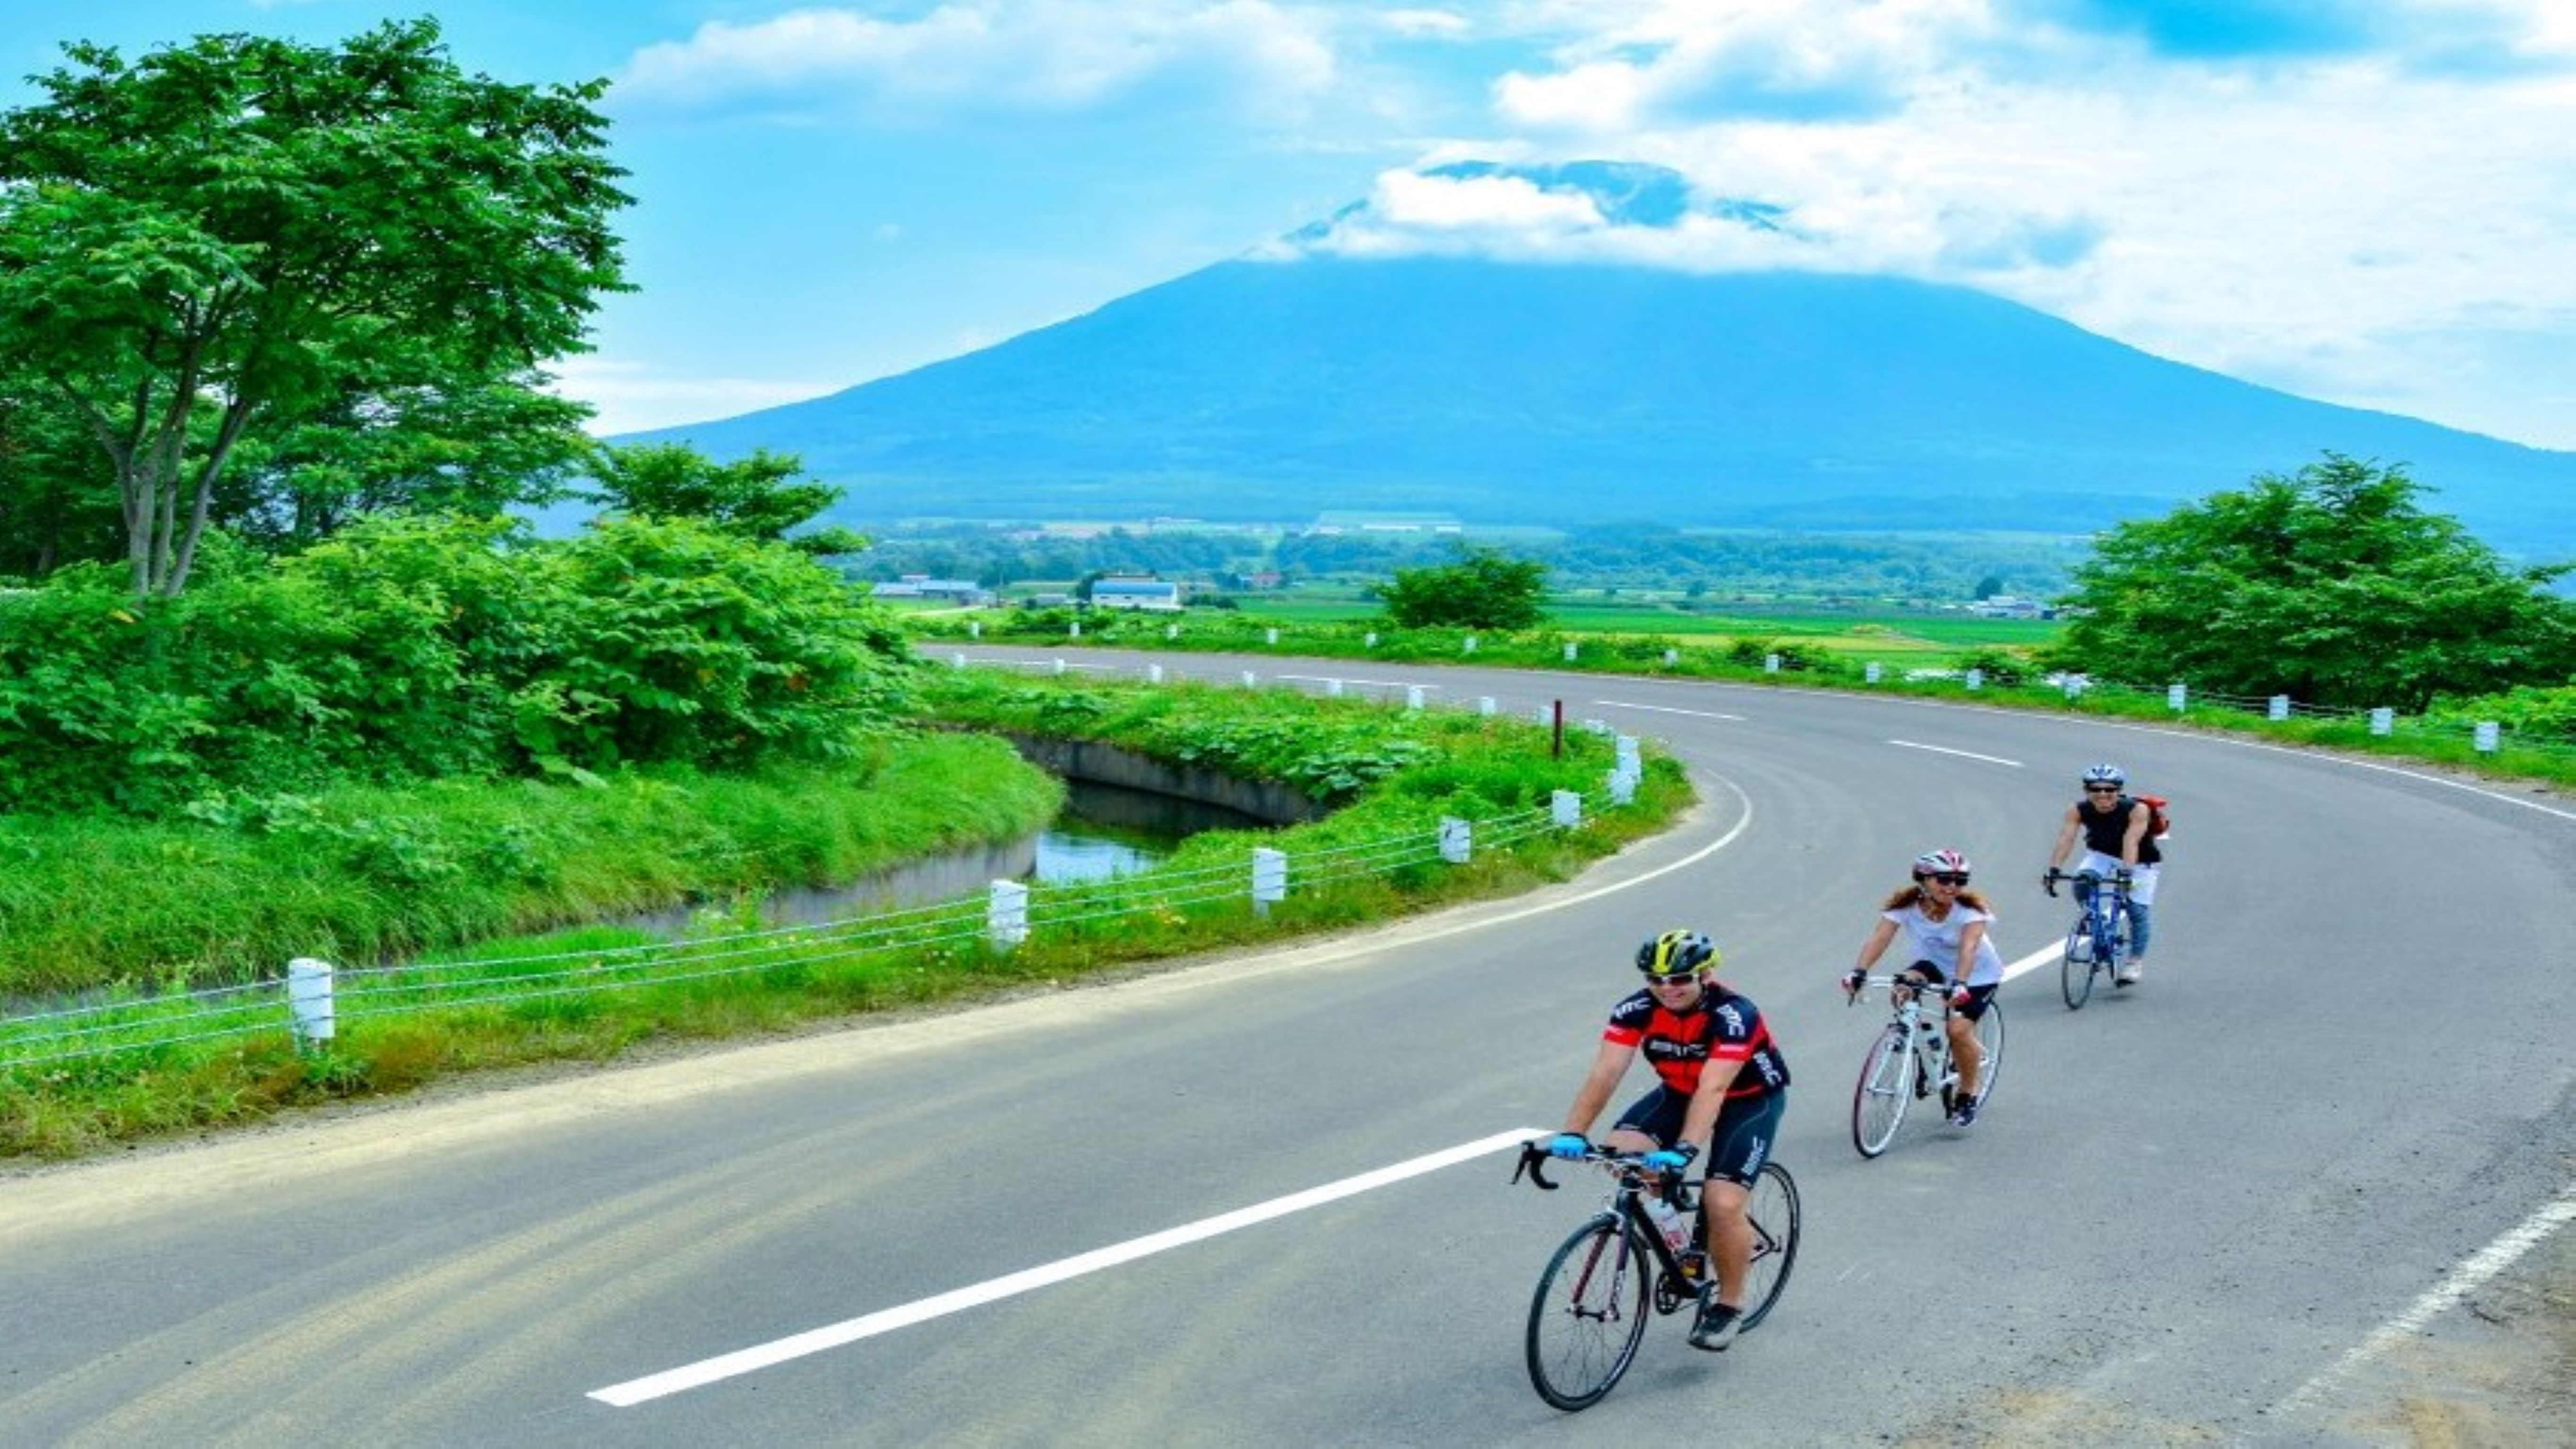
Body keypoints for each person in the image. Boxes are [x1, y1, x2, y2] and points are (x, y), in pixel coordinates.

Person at [1545, 929, 1791, 1354]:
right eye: (1656, 979)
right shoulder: (1635, 1009)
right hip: (1679, 1091)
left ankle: (1729, 1304)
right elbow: (1605, 1073)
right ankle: (1679, 1231)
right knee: (1622, 1152)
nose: (1666, 988)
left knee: (1723, 1203)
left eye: (1679, 979)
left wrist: (1685, 1148)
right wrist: (1572, 1131)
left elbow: (1713, 1090)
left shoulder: (1734, 1014)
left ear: (1706, 974)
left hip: (1747, 1101)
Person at [1839, 848, 2003, 1127]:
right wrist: (1859, 971)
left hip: (1976, 975)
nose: (1952, 887)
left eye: (1960, 881)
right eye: (1944, 879)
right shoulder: (1905, 907)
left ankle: (1968, 1091)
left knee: (1958, 1030)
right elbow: (1880, 938)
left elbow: (1969, 948)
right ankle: (1928, 1048)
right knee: (1902, 989)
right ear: (1924, 879)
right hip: (1932, 965)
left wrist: (1960, 984)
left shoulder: (1971, 912)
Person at [2045, 762, 2162, 986]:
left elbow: (2131, 841)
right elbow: (2066, 838)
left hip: (2140, 860)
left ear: (2119, 790)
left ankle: (2134, 961)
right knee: (2082, 882)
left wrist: (2127, 874)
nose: (2103, 795)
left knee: (2137, 910)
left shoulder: (2137, 809)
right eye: (2095, 789)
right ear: (2086, 790)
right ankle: (2095, 917)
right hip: (2102, 854)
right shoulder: (2078, 810)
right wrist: (2054, 870)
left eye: (2110, 789)